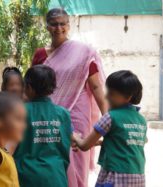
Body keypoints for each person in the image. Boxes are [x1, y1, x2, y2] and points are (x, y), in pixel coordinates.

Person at [32, 8, 108, 187]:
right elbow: (33, 84)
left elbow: (96, 86)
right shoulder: (40, 54)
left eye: (62, 24)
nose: (59, 28)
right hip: (48, 112)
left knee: (77, 155)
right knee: (51, 154)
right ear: (47, 27)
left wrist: (107, 116)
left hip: (77, 112)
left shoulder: (83, 53)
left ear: (68, 25)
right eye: (54, 24)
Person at [73, 70, 147, 187]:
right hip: (138, 177)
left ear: (128, 97)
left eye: (111, 93)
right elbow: (137, 140)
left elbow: (84, 146)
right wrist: (103, 142)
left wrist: (73, 135)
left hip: (115, 176)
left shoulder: (110, 117)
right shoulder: (141, 120)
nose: (106, 96)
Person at [13, 65, 72, 187]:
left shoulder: (19, 111)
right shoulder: (64, 114)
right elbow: (66, 145)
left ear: (28, 87)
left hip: (25, 177)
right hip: (56, 176)